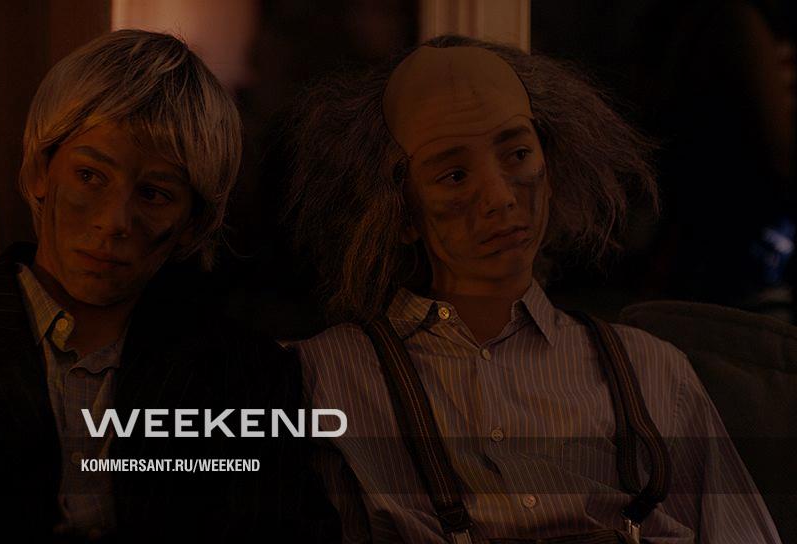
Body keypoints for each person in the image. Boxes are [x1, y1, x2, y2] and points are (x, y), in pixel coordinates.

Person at [0, 30, 336, 542]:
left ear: (191, 224)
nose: (114, 221)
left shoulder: (245, 375)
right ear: (39, 171)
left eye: (154, 194)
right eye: (90, 176)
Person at [285, 35, 781, 543]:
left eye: (518, 153)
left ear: (552, 164)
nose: (500, 197)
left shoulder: (654, 373)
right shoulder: (330, 378)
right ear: (400, 211)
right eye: (454, 175)